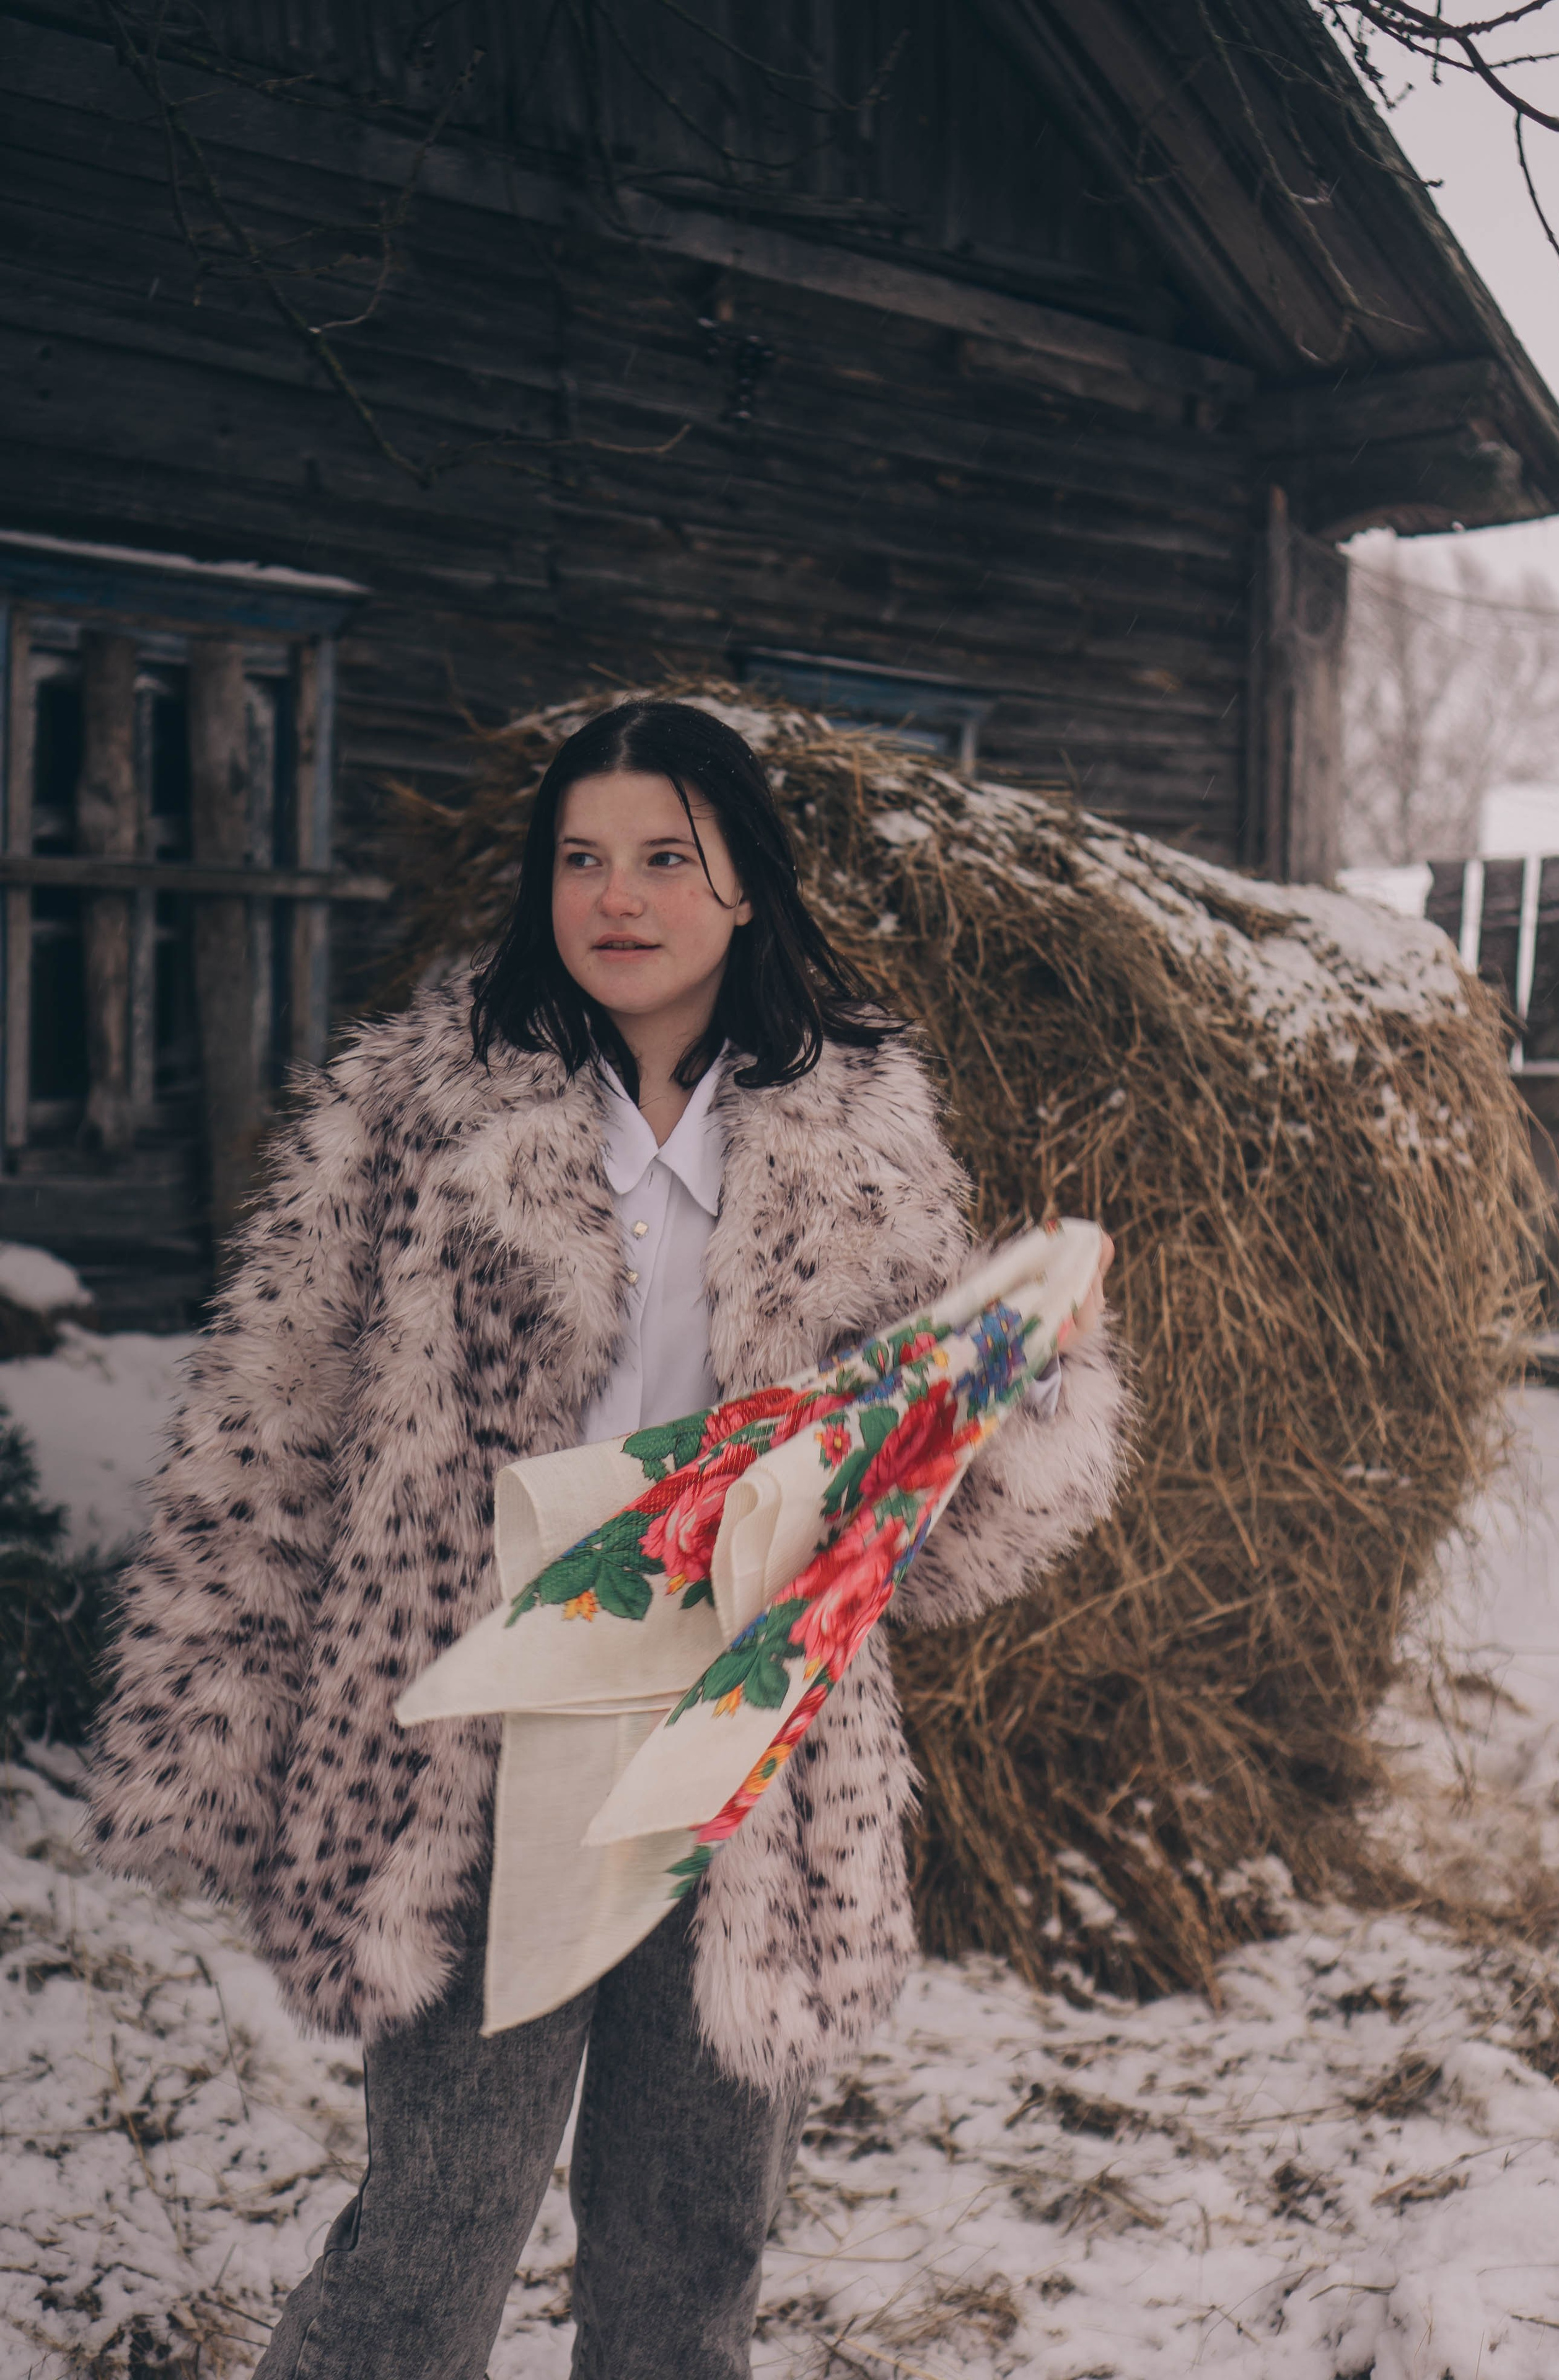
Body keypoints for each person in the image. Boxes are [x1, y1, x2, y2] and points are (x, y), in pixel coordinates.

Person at [88, 699, 1126, 2380]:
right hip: (482, 1729)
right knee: (431, 2237)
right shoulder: (420, 1114)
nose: (617, 896)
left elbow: (944, 1513)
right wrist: (218, 1734)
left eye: (664, 858)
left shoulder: (858, 1140)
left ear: (743, 891)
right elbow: (264, 1433)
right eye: (581, 858)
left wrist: (1020, 1382)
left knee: (692, 2248)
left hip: (746, 1742)